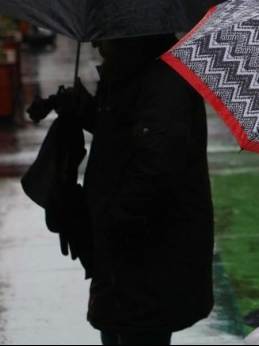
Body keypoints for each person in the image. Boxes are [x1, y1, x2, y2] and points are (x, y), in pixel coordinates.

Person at [57, 34, 215, 345]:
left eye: (107, 38)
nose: (98, 46)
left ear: (132, 38)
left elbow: (158, 169)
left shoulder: (162, 86)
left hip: (148, 257)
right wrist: (86, 110)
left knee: (137, 334)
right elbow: (125, 137)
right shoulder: (135, 75)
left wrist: (111, 222)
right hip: (129, 258)